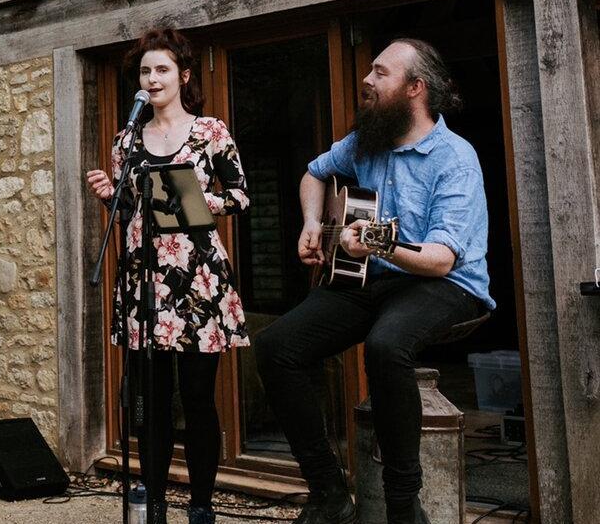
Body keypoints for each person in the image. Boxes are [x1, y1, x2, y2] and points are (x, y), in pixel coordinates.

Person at [254, 38, 495, 524]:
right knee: (276, 346)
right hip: (371, 278)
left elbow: (441, 259)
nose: (366, 80)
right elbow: (313, 173)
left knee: (386, 347)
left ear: (415, 88)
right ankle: (328, 493)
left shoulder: (455, 157)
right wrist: (310, 222)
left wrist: (381, 244)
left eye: (380, 73)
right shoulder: (368, 140)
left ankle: (403, 503)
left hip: (446, 284)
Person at [85, 27, 250, 524]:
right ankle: (153, 505)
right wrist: (109, 193)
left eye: (161, 69)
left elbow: (241, 196)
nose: (152, 78)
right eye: (144, 71)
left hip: (197, 284)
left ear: (183, 76)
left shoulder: (210, 132)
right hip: (144, 284)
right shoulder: (126, 140)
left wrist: (191, 203)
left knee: (197, 399)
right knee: (150, 403)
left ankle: (201, 506)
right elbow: (133, 207)